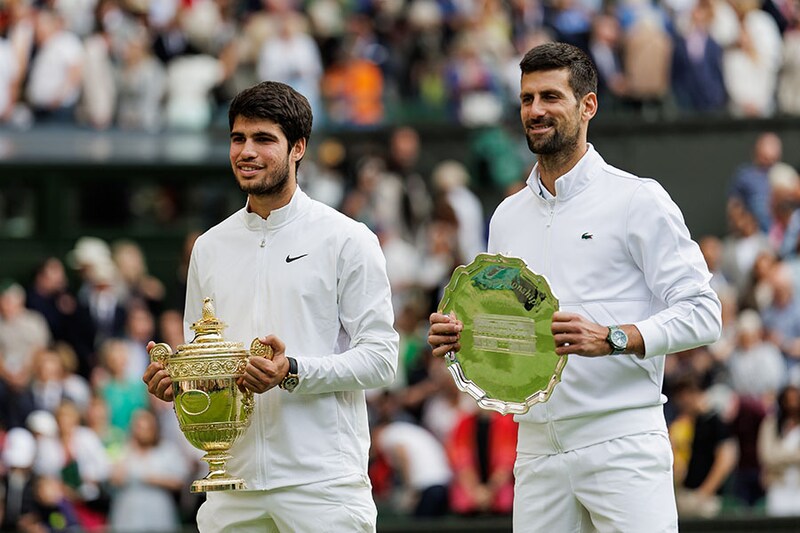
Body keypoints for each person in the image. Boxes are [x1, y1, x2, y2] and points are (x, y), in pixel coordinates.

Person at [428, 42, 722, 532]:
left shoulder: (637, 199)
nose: (536, 110)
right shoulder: (507, 216)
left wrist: (612, 338)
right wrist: (465, 339)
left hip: (622, 441)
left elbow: (703, 312)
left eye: (550, 96)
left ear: (588, 106)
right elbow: (512, 337)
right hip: (537, 450)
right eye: (526, 99)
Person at [143, 80, 398, 532]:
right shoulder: (208, 247)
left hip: (322, 485)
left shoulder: (347, 238)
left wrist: (293, 370)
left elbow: (381, 360)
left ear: (298, 147)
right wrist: (177, 382)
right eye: (238, 138)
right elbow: (203, 365)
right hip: (230, 485)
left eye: (264, 139)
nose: (246, 151)